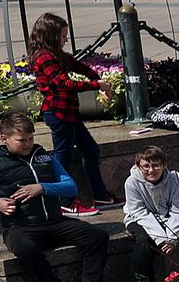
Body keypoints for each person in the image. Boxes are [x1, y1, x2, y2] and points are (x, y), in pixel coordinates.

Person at [0, 113, 114, 282]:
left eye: (30, 138)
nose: (27, 144)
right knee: (25, 249)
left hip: (55, 221)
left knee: (97, 236)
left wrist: (42, 188)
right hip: (21, 226)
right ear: (4, 139)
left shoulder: (44, 157)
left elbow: (70, 186)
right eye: (21, 140)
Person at [27, 13, 122, 215]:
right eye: (62, 36)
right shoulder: (43, 57)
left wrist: (101, 83)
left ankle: (101, 196)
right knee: (63, 158)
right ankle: (65, 201)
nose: (65, 39)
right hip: (58, 113)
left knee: (91, 150)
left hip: (69, 113)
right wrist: (98, 85)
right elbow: (64, 83)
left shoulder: (57, 54)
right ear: (50, 35)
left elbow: (79, 67)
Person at [122, 144, 179, 282]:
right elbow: (139, 212)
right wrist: (162, 238)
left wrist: (172, 237)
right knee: (142, 243)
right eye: (146, 166)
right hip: (138, 218)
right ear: (138, 166)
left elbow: (178, 209)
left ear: (164, 165)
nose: (151, 170)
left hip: (168, 214)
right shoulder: (131, 182)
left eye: (156, 165)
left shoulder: (174, 178)